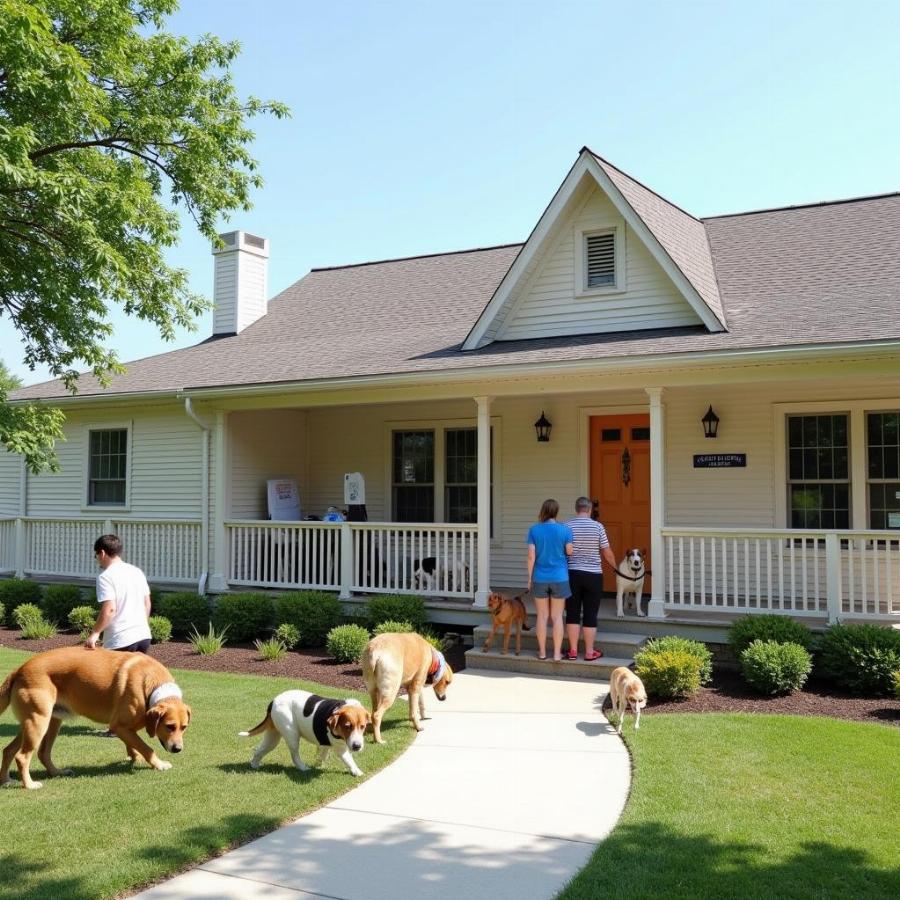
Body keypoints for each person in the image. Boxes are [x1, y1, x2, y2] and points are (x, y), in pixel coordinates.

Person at [565, 497, 617, 660]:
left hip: (572, 573)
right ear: (589, 510)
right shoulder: (598, 526)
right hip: (593, 575)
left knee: (572, 612)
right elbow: (606, 552)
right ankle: (589, 652)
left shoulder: (567, 526)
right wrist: (615, 568)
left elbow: (564, 551)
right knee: (590, 613)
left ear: (576, 509)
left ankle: (573, 651)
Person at [86, 534, 152, 653]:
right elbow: (146, 603)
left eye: (96, 556)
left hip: (120, 640)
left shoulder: (106, 576)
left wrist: (95, 633)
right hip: (143, 636)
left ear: (102, 553)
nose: (97, 560)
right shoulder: (136, 572)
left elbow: (110, 609)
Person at [526, 499, 573, 661]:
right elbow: (569, 551)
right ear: (556, 512)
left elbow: (531, 556)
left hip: (539, 577)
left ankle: (542, 653)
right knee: (557, 616)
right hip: (560, 577)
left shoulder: (534, 530)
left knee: (542, 616)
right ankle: (557, 654)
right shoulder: (565, 530)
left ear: (543, 511)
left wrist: (529, 578)